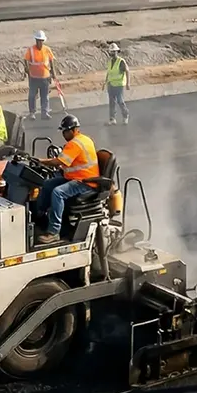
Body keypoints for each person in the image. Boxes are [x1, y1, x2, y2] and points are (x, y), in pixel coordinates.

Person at [33, 115, 100, 246]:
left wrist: (40, 161)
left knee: (58, 192)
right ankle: (39, 217)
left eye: (65, 131)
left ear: (73, 130)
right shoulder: (83, 139)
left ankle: (54, 232)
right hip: (75, 178)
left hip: (85, 182)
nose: (63, 134)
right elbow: (68, 161)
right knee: (47, 184)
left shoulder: (75, 143)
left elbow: (59, 161)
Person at [25, 30, 55, 120]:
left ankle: (44, 113)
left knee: (45, 96)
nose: (40, 43)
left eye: (41, 41)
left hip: (45, 77)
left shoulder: (47, 49)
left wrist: (53, 73)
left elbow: (51, 60)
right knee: (32, 95)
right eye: (38, 40)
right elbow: (26, 59)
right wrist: (27, 69)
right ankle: (32, 113)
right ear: (36, 40)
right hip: (33, 77)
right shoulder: (31, 50)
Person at [103, 43, 130, 126]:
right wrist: (105, 82)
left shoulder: (121, 61)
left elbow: (127, 71)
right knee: (112, 102)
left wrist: (128, 83)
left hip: (119, 85)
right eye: (111, 51)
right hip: (111, 84)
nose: (112, 53)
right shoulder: (110, 62)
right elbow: (109, 72)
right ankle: (112, 119)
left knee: (120, 101)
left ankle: (125, 116)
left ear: (117, 52)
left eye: (114, 51)